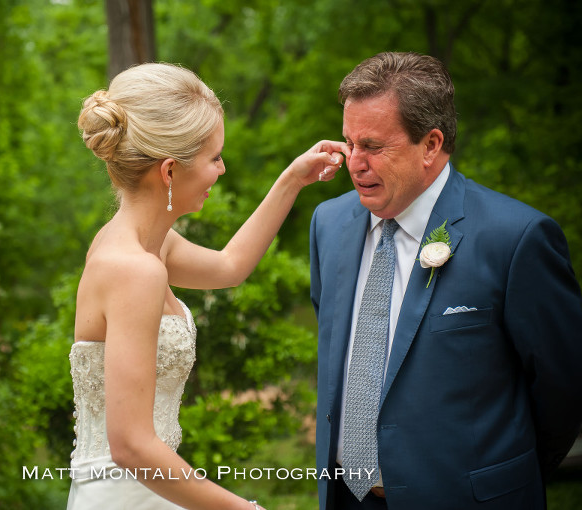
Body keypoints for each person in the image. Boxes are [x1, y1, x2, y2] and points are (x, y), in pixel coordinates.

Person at [310, 51, 582, 510]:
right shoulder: (328, 224)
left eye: (373, 146)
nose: (355, 163)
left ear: (431, 145)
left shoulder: (515, 238)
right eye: (348, 143)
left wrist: (499, 478)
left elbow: (564, 388)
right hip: (345, 498)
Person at [67, 62, 344, 510]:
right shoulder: (134, 268)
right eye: (214, 157)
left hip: (148, 490)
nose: (223, 169)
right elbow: (131, 446)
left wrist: (294, 178)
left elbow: (230, 266)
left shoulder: (144, 245)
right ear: (170, 171)